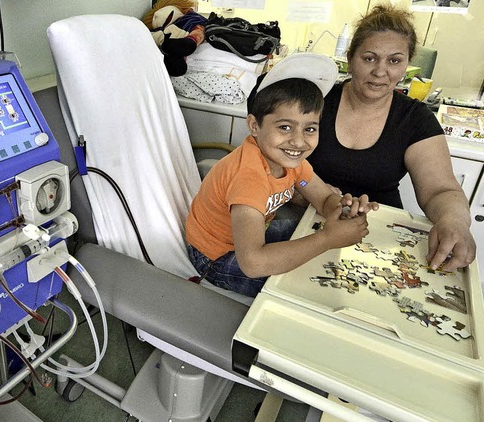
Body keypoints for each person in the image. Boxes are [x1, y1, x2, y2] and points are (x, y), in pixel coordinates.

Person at [185, 53, 379, 297]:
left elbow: (323, 199)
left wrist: (343, 211)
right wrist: (328, 238)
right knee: (310, 286)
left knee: (305, 233)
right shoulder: (249, 177)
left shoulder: (292, 162)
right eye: (285, 127)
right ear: (254, 125)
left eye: (309, 129)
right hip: (216, 259)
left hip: (250, 239)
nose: (298, 141)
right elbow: (253, 263)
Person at [307, 4, 476, 272]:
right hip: (307, 225)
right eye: (369, 58)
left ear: (407, 65)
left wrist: (453, 220)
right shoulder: (315, 100)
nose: (380, 71)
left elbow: (440, 190)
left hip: (377, 240)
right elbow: (274, 163)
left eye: (394, 61)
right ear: (350, 58)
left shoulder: (414, 119)